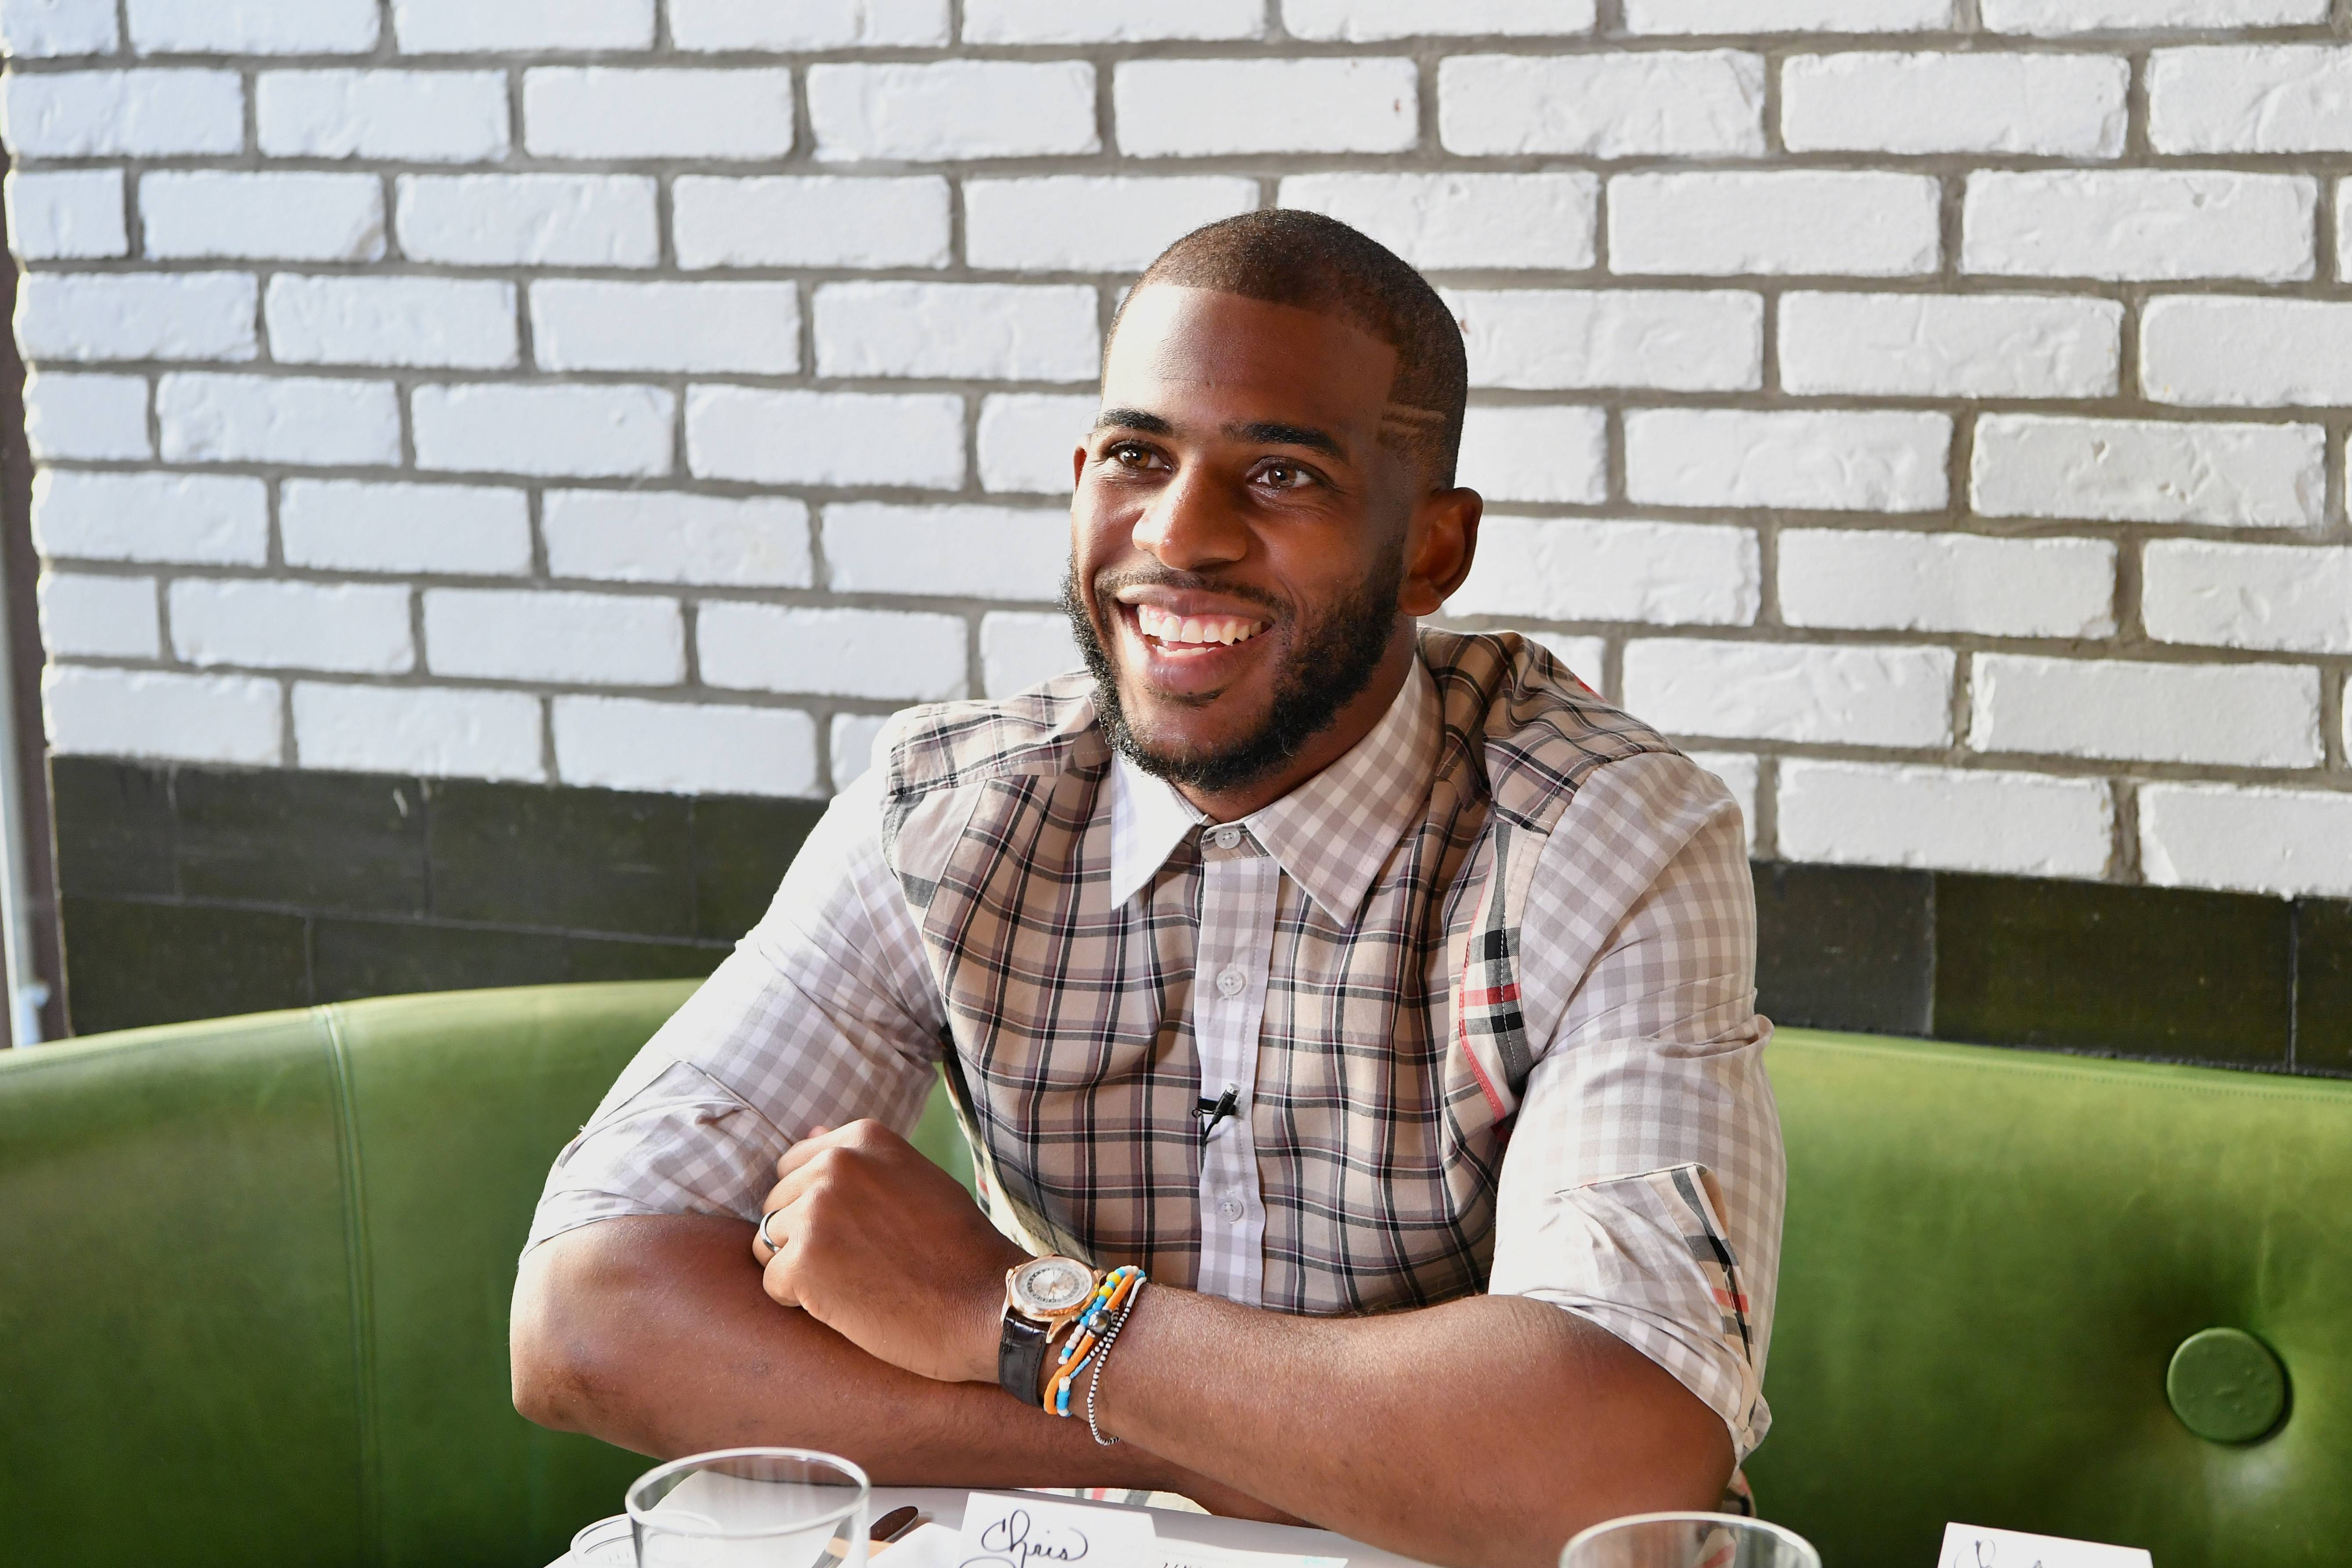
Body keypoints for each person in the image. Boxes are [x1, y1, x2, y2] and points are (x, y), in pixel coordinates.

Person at [510, 210, 1783, 1568]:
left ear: (1433, 551)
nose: (1179, 535)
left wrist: (1016, 1318)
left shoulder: (1600, 834)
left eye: (1282, 473)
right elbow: (589, 1316)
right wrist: (1205, 1440)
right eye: (1136, 455)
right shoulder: (950, 812)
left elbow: (1622, 1454)